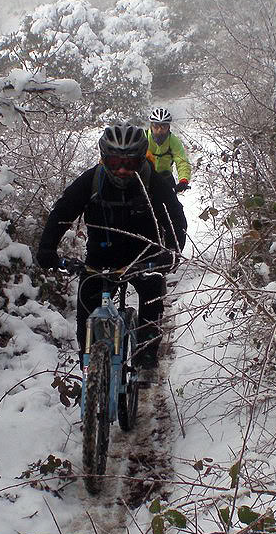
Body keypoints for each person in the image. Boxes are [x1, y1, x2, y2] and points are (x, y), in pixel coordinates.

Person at [36, 123, 188, 371]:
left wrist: (171, 252)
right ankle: (91, 365)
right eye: (115, 161)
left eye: (130, 163)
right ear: (104, 158)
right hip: (101, 257)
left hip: (143, 257)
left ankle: (145, 355)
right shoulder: (92, 180)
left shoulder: (154, 183)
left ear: (141, 160)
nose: (122, 170)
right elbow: (61, 213)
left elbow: (176, 219)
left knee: (152, 296)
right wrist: (47, 250)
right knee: (86, 309)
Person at [147, 106, 192, 193]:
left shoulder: (173, 141)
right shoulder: (143, 138)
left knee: (175, 206)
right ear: (151, 126)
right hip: (146, 177)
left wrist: (183, 180)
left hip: (165, 178)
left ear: (168, 127)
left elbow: (182, 162)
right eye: (156, 126)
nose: (160, 130)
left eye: (163, 126)